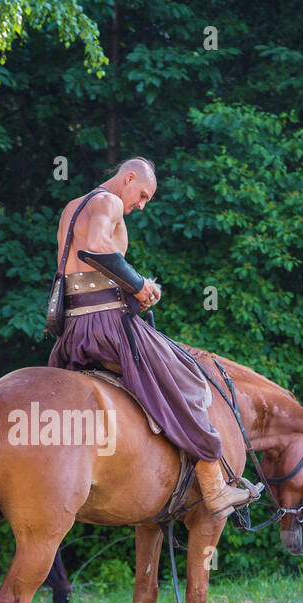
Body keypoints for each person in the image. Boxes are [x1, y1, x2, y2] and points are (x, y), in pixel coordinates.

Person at [47, 157, 261, 519]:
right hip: (107, 329)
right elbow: (96, 245)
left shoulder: (71, 207)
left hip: (72, 332)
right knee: (189, 378)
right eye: (143, 194)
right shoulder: (109, 201)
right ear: (128, 178)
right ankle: (214, 486)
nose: (142, 205)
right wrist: (140, 284)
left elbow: (78, 266)